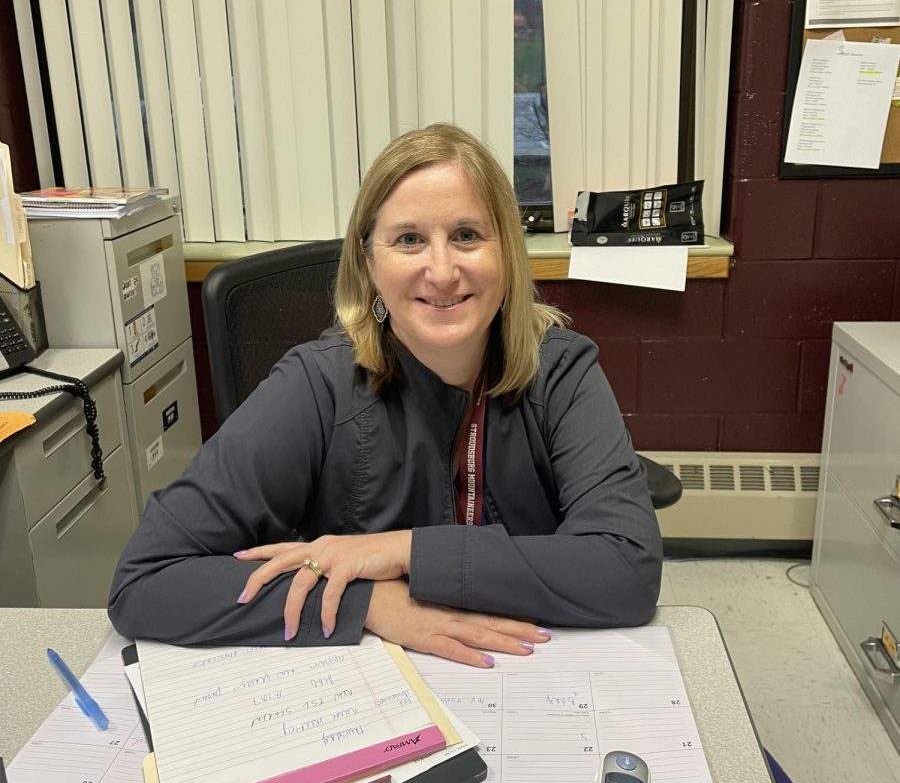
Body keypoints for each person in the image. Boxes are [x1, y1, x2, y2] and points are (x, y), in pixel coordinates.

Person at [108, 123, 662, 664]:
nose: (442, 271)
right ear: (369, 263)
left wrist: (402, 550)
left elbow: (626, 570)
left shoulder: (563, 371)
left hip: (535, 670)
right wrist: (370, 601)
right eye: (408, 240)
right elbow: (146, 581)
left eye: (467, 235)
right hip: (369, 685)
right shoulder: (316, 384)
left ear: (508, 255)